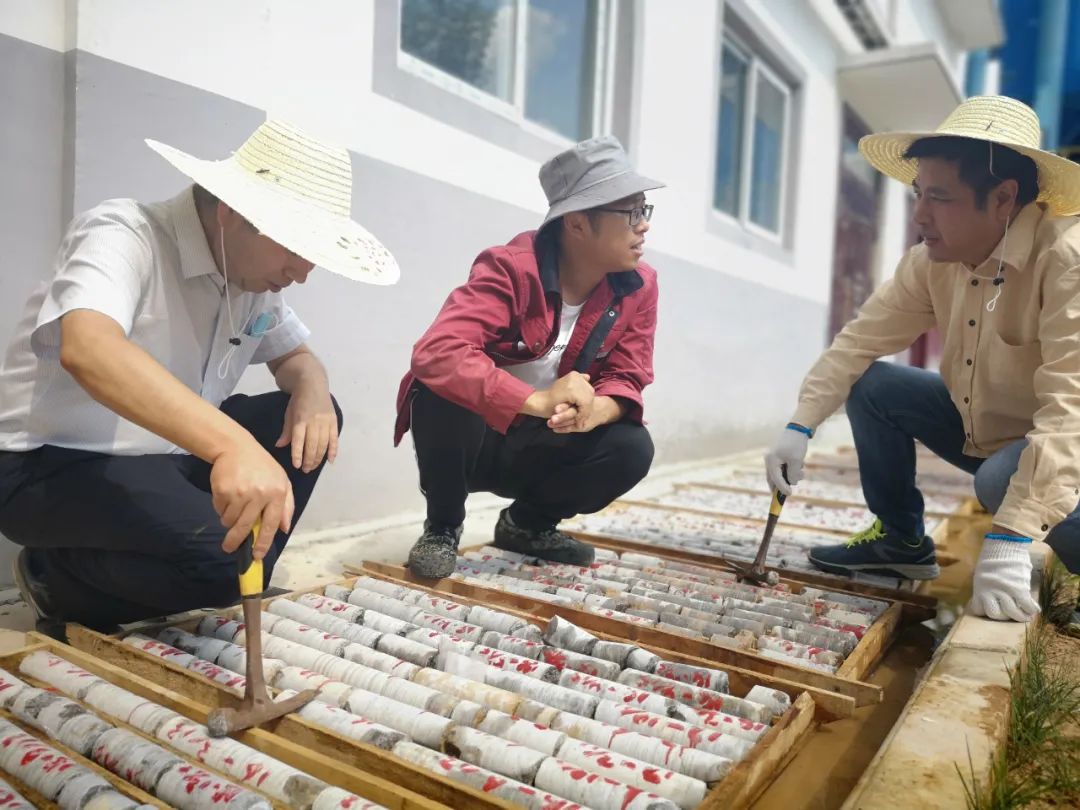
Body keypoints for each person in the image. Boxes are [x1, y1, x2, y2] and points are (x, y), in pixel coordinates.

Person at [0, 120, 398, 630]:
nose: (301, 273)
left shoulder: (250, 278)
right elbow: (89, 348)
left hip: (165, 454)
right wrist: (232, 446)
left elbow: (296, 358)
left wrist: (314, 390)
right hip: (51, 464)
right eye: (295, 248)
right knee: (218, 561)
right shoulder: (124, 233)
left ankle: (237, 575)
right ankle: (55, 578)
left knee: (306, 417)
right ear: (232, 211)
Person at [764, 95, 1080, 623]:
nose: (919, 215)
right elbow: (858, 342)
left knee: (1000, 479)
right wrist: (801, 423)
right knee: (875, 386)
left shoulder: (1066, 261)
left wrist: (1009, 538)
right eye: (917, 193)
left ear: (1003, 199)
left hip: (1064, 450)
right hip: (986, 433)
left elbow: (1071, 414)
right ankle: (900, 541)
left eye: (939, 197)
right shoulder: (932, 262)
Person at [395, 136, 661, 579]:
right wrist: (536, 400)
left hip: (546, 441)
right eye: (631, 212)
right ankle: (442, 527)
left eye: (644, 210)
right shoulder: (511, 267)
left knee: (631, 447)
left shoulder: (638, 285)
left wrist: (598, 409)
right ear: (577, 224)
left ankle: (527, 525)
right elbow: (438, 352)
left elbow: (628, 374)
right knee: (440, 387)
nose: (644, 226)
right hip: (477, 441)